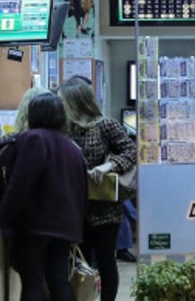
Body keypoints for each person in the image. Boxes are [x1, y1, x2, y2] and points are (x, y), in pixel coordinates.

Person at [0, 92, 87, 301]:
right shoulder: (72, 147)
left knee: (33, 281)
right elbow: (82, 190)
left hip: (36, 224)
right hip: (66, 226)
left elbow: (21, 182)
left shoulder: (34, 138)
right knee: (58, 280)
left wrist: (2, 221)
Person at [59, 76, 137, 301]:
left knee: (106, 262)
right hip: (75, 208)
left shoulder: (105, 125)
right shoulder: (65, 129)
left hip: (105, 209)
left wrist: (108, 165)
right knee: (79, 262)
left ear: (75, 102)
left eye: (63, 101)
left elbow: (131, 152)